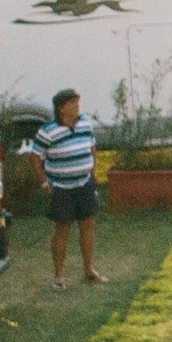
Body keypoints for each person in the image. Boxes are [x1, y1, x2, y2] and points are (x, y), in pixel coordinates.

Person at [30, 85, 105, 281]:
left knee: (87, 225)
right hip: (61, 188)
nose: (77, 106)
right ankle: (59, 276)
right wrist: (44, 184)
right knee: (62, 229)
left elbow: (92, 147)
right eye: (73, 103)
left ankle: (89, 270)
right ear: (62, 108)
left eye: (77, 103)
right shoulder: (48, 131)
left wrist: (93, 171)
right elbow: (34, 158)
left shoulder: (85, 123)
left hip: (84, 184)